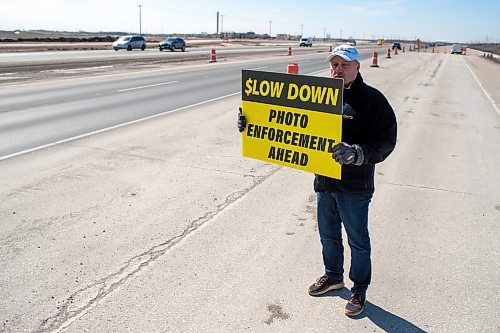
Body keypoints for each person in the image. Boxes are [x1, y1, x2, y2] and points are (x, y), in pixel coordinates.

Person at [238, 44, 397, 317]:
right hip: (325, 182)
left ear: (357, 67)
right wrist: (250, 123)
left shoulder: (372, 99)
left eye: (344, 65)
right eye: (334, 64)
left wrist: (358, 153)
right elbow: (282, 121)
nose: (338, 69)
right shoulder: (319, 97)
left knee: (358, 241)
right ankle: (333, 276)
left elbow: (386, 140)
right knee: (328, 235)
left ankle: (359, 289)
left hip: (355, 186)